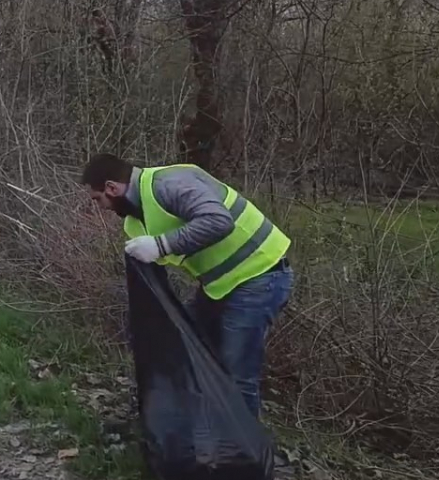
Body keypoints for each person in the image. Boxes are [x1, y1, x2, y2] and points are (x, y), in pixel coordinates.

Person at [80, 153, 294, 420]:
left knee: (237, 374)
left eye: (98, 199)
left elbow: (218, 220)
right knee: (189, 349)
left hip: (261, 274)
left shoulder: (169, 184)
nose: (101, 207)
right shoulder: (135, 221)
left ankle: (244, 454)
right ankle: (206, 434)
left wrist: (161, 245)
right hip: (222, 285)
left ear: (112, 187)